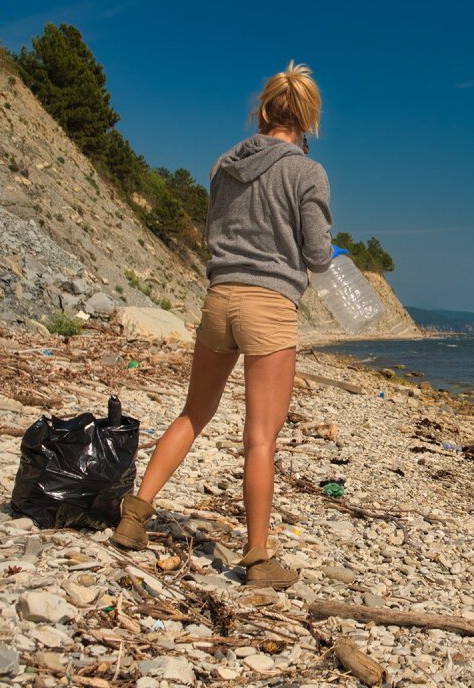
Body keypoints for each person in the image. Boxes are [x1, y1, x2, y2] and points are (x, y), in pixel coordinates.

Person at [109, 61, 333, 589]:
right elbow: (319, 256)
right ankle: (258, 559)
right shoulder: (308, 173)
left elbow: (216, 230)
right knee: (261, 438)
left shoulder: (221, 165)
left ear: (262, 111)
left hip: (218, 297)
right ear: (307, 121)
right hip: (270, 304)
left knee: (194, 412)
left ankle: (134, 516)